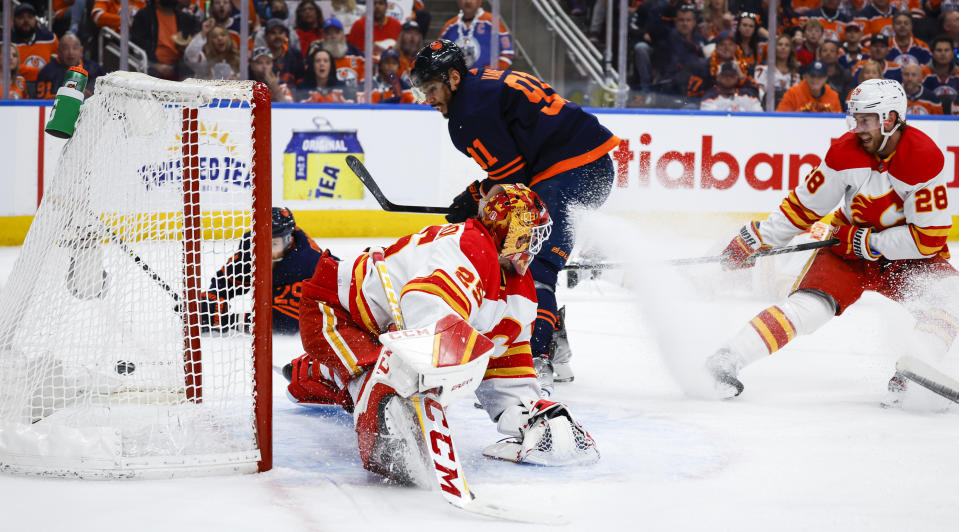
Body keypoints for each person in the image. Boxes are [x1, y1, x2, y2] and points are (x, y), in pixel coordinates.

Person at [283, 184, 598, 483]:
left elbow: (505, 365)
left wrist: (524, 412)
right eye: (531, 232)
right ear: (510, 231)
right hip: (337, 310)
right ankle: (385, 445)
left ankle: (311, 371)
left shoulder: (519, 287)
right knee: (377, 380)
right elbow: (426, 306)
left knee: (371, 367)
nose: (536, 241)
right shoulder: (470, 246)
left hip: (384, 329)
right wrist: (422, 381)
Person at [706, 78, 956, 409]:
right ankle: (727, 359)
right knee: (809, 308)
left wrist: (870, 242)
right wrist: (756, 239)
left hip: (905, 255)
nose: (857, 128)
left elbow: (928, 240)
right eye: (855, 119)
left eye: (865, 120)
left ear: (890, 119)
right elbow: (802, 208)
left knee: (951, 297)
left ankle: (912, 374)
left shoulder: (923, 159)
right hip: (846, 251)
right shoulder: (844, 152)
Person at [410, 40, 621, 391]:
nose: (429, 99)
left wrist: (475, 197)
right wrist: (477, 195)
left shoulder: (468, 115)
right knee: (512, 253)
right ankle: (552, 338)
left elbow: (513, 182)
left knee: (532, 264)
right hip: (586, 166)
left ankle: (535, 359)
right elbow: (515, 173)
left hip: (570, 169)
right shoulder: (478, 86)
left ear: (453, 78)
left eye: (432, 89)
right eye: (424, 91)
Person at [200, 207, 330, 335]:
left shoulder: (308, 265)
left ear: (289, 241)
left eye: (274, 244)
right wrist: (212, 301)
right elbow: (225, 282)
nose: (266, 251)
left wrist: (232, 320)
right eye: (262, 242)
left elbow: (291, 322)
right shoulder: (252, 250)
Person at [131, 0, 199, 80]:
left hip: (178, 64)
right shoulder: (144, 15)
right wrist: (155, 65)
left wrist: (185, 48)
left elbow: (195, 36)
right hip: (152, 64)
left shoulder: (185, 18)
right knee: (151, 74)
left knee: (188, 67)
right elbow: (138, 44)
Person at [439, 0, 515, 70]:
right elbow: (438, 54)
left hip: (486, 81)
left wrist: (491, 74)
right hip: (457, 81)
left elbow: (508, 53)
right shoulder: (449, 26)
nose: (468, 1)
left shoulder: (492, 22)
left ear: (480, 1)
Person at [35, 33, 105, 99]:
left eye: (75, 48)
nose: (70, 52)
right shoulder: (47, 72)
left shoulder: (95, 70)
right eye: (65, 48)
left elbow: (104, 96)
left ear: (81, 51)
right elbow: (43, 102)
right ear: (58, 51)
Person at [8, 4, 58, 86]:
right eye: (21, 17)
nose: (26, 20)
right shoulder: (6, 41)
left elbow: (60, 62)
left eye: (30, 17)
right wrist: (38, 71)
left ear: (35, 20)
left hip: (46, 86)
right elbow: (5, 67)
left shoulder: (50, 38)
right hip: (16, 86)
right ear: (14, 21)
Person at [754, 34, 802, 106]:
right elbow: (759, 93)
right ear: (774, 48)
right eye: (780, 44)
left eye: (787, 45)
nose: (783, 47)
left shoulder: (795, 76)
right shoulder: (762, 70)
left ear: (790, 50)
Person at [777, 60, 843, 111]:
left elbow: (839, 122)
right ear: (806, 76)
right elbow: (781, 118)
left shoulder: (833, 96)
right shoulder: (792, 93)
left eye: (820, 77)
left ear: (826, 78)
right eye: (812, 76)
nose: (815, 80)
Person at [319, 17, 364, 86]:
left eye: (337, 32)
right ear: (323, 36)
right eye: (329, 33)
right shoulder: (318, 58)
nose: (333, 36)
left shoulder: (357, 54)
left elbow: (366, 81)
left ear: (343, 33)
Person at [261, 18, 305, 86]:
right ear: (265, 37)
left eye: (281, 32)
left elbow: (301, 83)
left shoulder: (296, 54)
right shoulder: (259, 57)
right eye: (273, 33)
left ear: (286, 35)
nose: (277, 36)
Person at [921, 36, 959, 114]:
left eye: (946, 50)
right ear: (932, 53)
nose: (943, 53)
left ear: (952, 53)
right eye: (939, 50)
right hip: (928, 117)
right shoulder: (922, 73)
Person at [819, 39, 855, 107]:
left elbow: (848, 98)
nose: (828, 53)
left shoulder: (845, 74)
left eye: (832, 51)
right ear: (819, 54)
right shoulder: (813, 73)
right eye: (824, 51)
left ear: (837, 55)